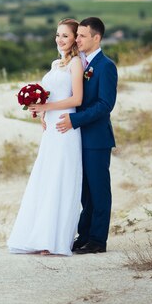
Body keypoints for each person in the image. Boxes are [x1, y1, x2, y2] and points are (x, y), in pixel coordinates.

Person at [7, 18, 84, 256]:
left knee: (60, 179)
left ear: (75, 39)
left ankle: (54, 239)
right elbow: (50, 95)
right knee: (46, 176)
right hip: (50, 128)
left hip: (65, 126)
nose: (59, 39)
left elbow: (77, 100)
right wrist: (38, 109)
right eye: (57, 35)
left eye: (65, 36)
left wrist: (47, 108)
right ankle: (39, 236)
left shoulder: (77, 64)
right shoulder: (55, 63)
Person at [56, 17, 117, 254]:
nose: (77, 39)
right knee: (85, 191)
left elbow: (105, 105)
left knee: (99, 190)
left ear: (96, 38)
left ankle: (98, 240)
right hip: (77, 138)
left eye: (82, 36)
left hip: (96, 139)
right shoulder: (77, 62)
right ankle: (84, 235)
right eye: (77, 35)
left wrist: (75, 120)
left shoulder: (106, 66)